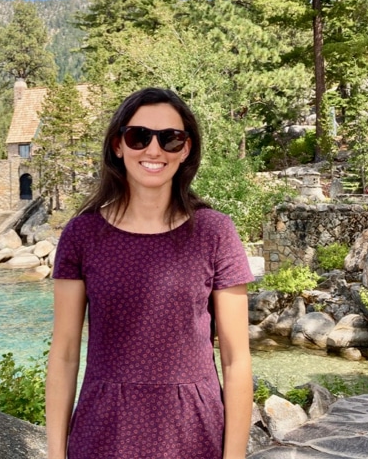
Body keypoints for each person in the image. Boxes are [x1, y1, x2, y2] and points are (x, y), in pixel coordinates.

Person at [46, 87, 255, 459]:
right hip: (103, 433)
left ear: (186, 149)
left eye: (170, 138)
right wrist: (55, 455)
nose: (153, 150)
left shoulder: (215, 233)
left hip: (192, 434)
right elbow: (63, 354)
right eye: (139, 136)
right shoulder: (81, 235)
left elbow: (236, 360)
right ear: (117, 144)